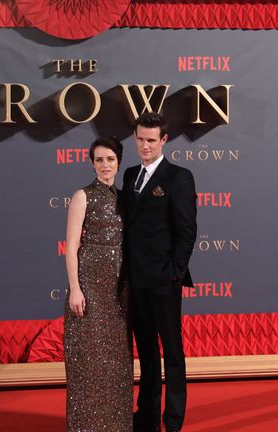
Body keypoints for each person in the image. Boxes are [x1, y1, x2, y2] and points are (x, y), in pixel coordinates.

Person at [120, 112, 197, 432]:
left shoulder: (179, 177)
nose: (145, 145)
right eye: (140, 139)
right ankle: (148, 416)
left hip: (164, 281)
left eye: (151, 139)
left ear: (164, 140)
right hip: (135, 280)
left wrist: (174, 273)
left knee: (173, 353)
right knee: (147, 352)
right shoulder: (128, 175)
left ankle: (173, 420)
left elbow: (187, 230)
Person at [64, 137, 133, 431]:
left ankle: (117, 425)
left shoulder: (127, 196)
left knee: (117, 359)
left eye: (110, 159)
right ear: (92, 163)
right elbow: (70, 246)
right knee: (89, 357)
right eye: (100, 160)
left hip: (121, 286)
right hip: (90, 283)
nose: (105, 165)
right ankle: (86, 425)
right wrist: (76, 288)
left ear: (118, 162)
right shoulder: (83, 195)